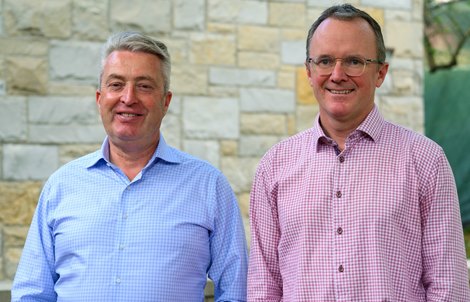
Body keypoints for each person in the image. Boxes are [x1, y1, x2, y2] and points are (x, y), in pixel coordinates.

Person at [247, 4, 470, 301]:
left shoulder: (426, 161)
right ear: (309, 72)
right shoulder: (274, 166)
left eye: (354, 61)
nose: (337, 74)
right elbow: (264, 287)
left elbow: (449, 285)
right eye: (325, 61)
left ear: (380, 73)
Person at [12, 31, 248, 302]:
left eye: (144, 86)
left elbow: (236, 293)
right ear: (100, 98)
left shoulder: (208, 186)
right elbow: (31, 294)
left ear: (166, 102)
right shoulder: (61, 186)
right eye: (116, 84)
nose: (128, 97)